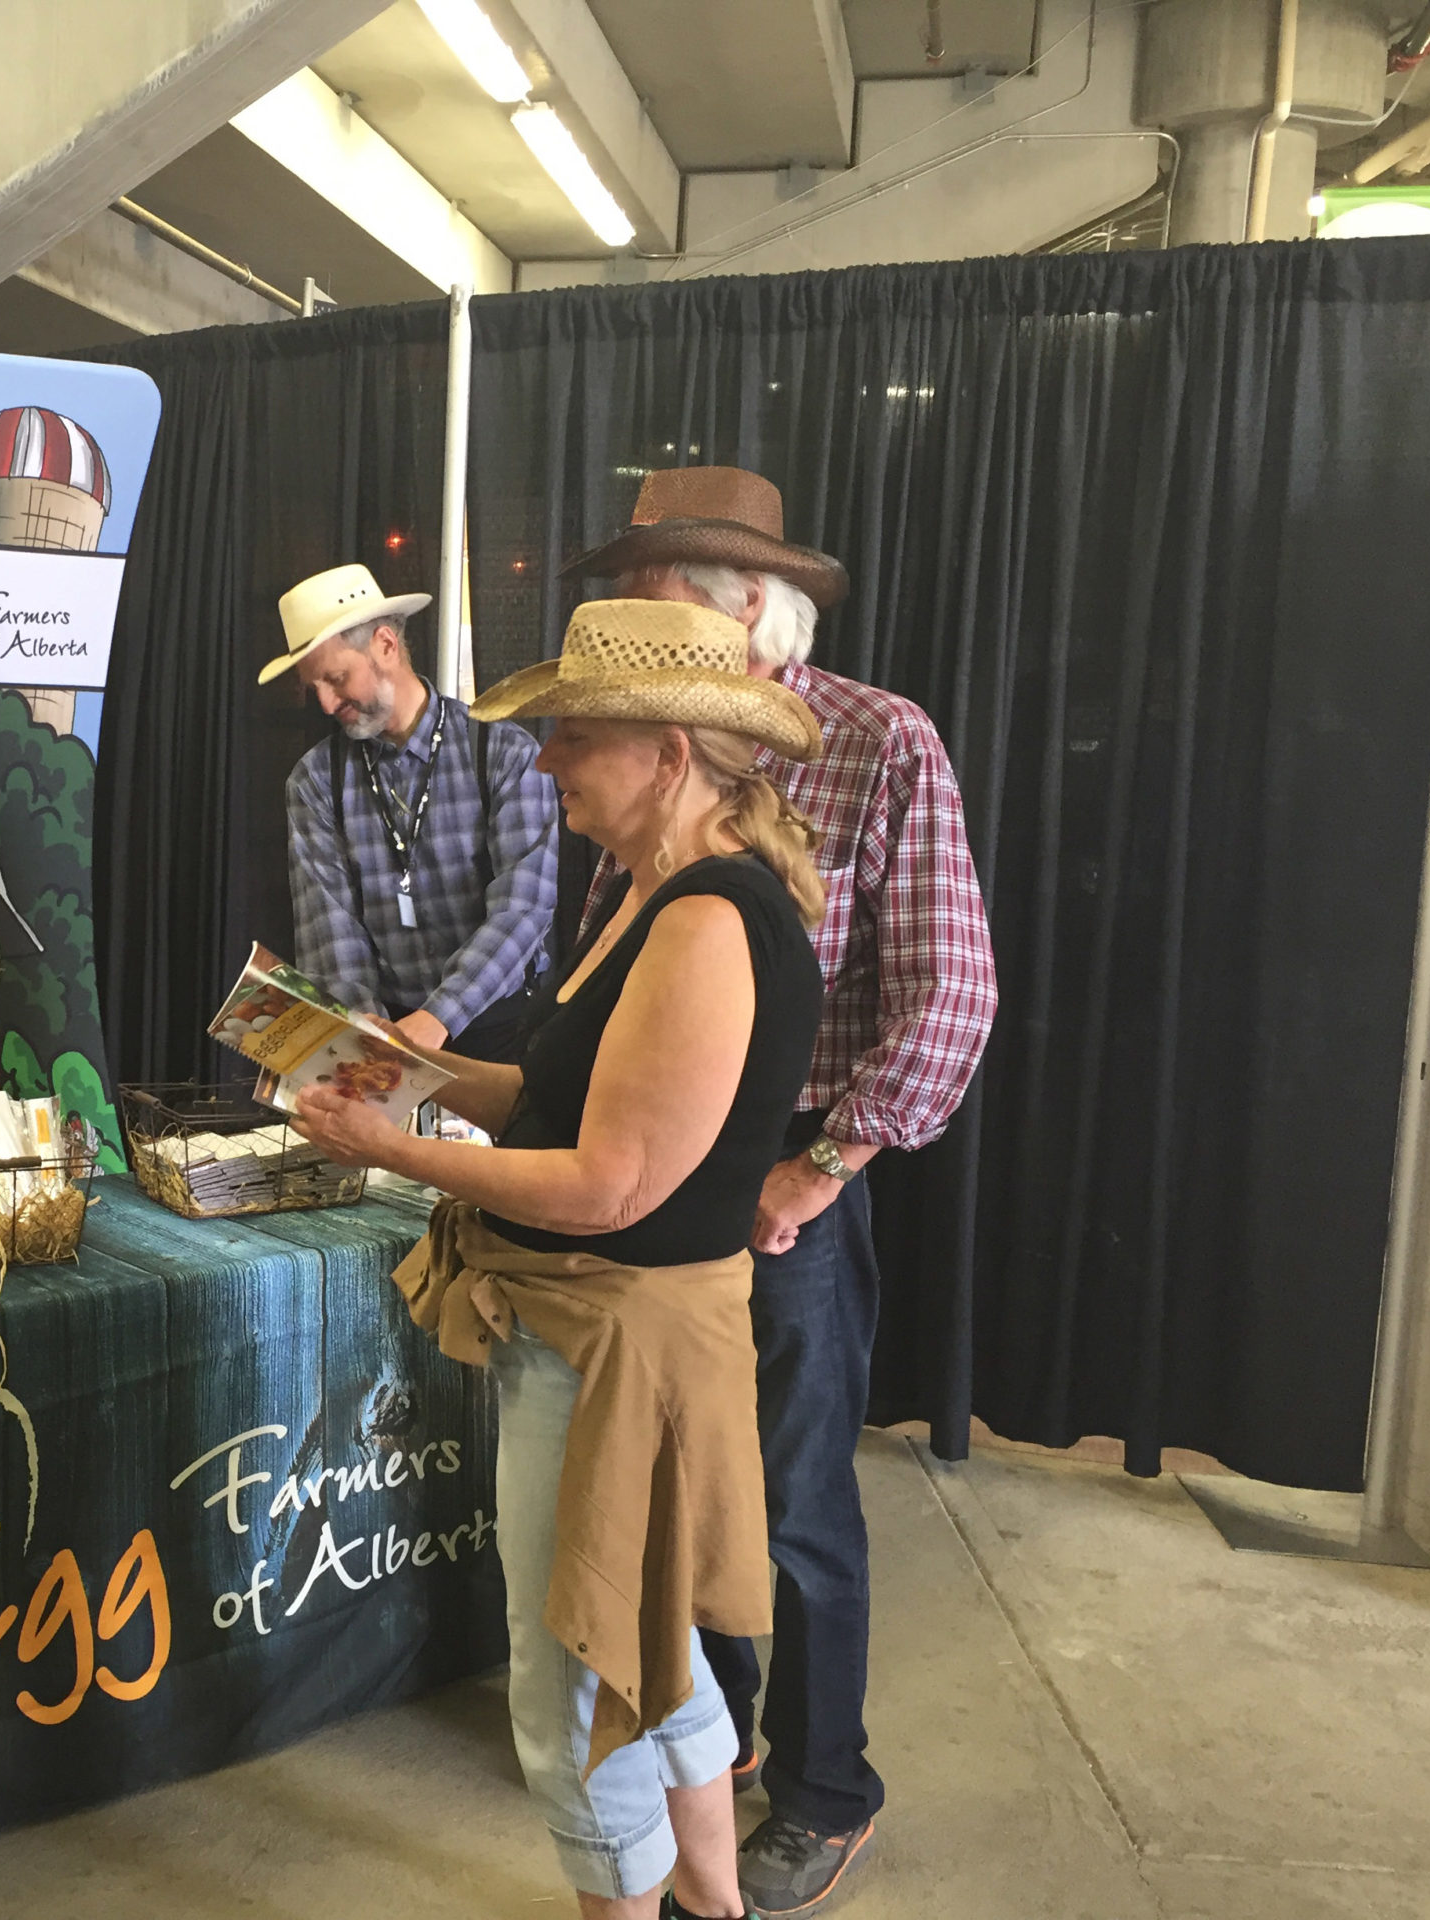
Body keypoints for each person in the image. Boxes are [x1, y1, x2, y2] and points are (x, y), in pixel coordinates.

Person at [293, 597, 827, 1920]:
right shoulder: (650, 896)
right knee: (651, 1649)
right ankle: (715, 1904)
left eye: (572, 739)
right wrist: (408, 1083)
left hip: (616, 1344)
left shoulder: (707, 920)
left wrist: (393, 1140)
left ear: (666, 751)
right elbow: (549, 1095)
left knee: (569, 1685)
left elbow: (607, 1185)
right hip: (603, 1334)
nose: (545, 766)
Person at [568, 466, 998, 1915]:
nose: (639, 621)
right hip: (664, 1168)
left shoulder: (880, 743)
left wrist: (821, 1168)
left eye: (664, 597)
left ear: (756, 610)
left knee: (797, 1494)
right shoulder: (656, 743)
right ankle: (718, 1747)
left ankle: (825, 1785)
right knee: (694, 1489)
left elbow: (951, 993)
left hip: (790, 1165)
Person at [266, 563, 557, 1062]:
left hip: (506, 1025)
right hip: (389, 1033)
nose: (326, 703)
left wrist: (439, 1017)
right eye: (313, 687)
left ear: (385, 644)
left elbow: (524, 908)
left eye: (336, 678)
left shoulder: (504, 752)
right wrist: (363, 1031)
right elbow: (329, 933)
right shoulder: (314, 782)